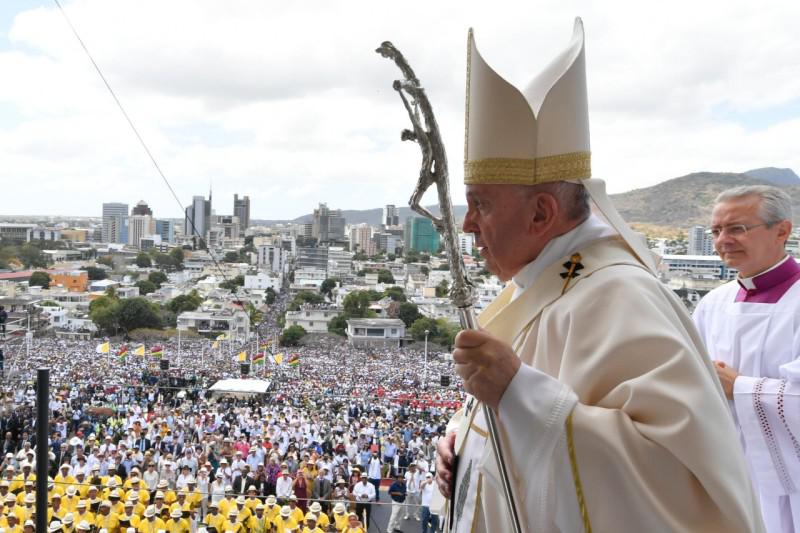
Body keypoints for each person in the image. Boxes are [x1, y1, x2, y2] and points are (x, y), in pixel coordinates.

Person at [434, 19, 764, 532]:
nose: (468, 224)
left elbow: (674, 485)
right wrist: (463, 441)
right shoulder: (541, 287)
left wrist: (519, 394)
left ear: (542, 214)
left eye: (481, 205)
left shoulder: (618, 295)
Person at [693, 185, 800, 533]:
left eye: (737, 228)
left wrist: (740, 387)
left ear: (782, 230)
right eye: (716, 231)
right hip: (728, 472)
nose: (723, 240)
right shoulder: (713, 304)